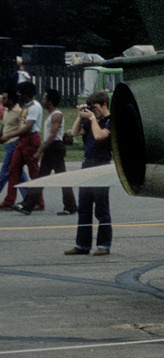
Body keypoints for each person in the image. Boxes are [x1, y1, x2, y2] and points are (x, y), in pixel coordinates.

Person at [64, 91, 112, 256]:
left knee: (101, 207)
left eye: (95, 108)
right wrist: (80, 116)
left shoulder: (110, 121)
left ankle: (104, 245)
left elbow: (99, 136)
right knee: (84, 207)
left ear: (104, 105)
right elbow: (74, 133)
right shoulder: (93, 121)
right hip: (87, 164)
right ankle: (82, 245)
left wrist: (92, 119)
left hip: (101, 165)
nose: (93, 111)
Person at [22, 89, 74, 214]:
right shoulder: (52, 115)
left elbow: (52, 135)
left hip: (55, 148)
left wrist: (40, 151)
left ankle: (70, 206)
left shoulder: (56, 115)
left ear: (50, 102)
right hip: (51, 148)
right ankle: (28, 205)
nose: (43, 100)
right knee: (42, 177)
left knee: (61, 178)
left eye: (45, 98)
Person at [3, 83, 42, 209]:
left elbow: (28, 127)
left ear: (25, 94)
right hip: (23, 140)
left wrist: (9, 136)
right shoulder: (25, 106)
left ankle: (38, 202)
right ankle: (9, 200)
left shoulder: (34, 107)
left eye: (20, 93)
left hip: (30, 139)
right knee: (13, 169)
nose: (18, 96)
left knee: (33, 172)